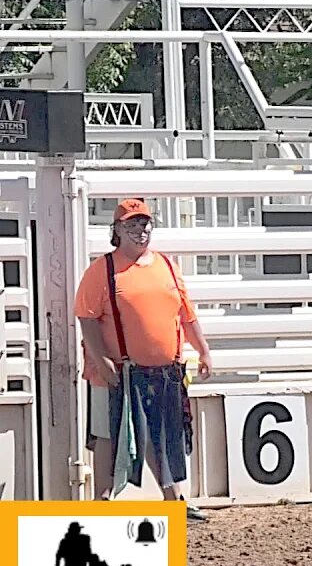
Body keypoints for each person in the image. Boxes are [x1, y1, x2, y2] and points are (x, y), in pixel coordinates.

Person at [74, 198, 213, 521]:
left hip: (164, 371)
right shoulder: (102, 270)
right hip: (118, 370)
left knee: (162, 432)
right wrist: (102, 360)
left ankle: (173, 499)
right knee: (108, 433)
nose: (140, 230)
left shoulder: (166, 265)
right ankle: (103, 500)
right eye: (132, 224)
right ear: (117, 231)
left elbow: (186, 314)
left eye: (145, 223)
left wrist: (203, 350)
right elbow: (86, 318)